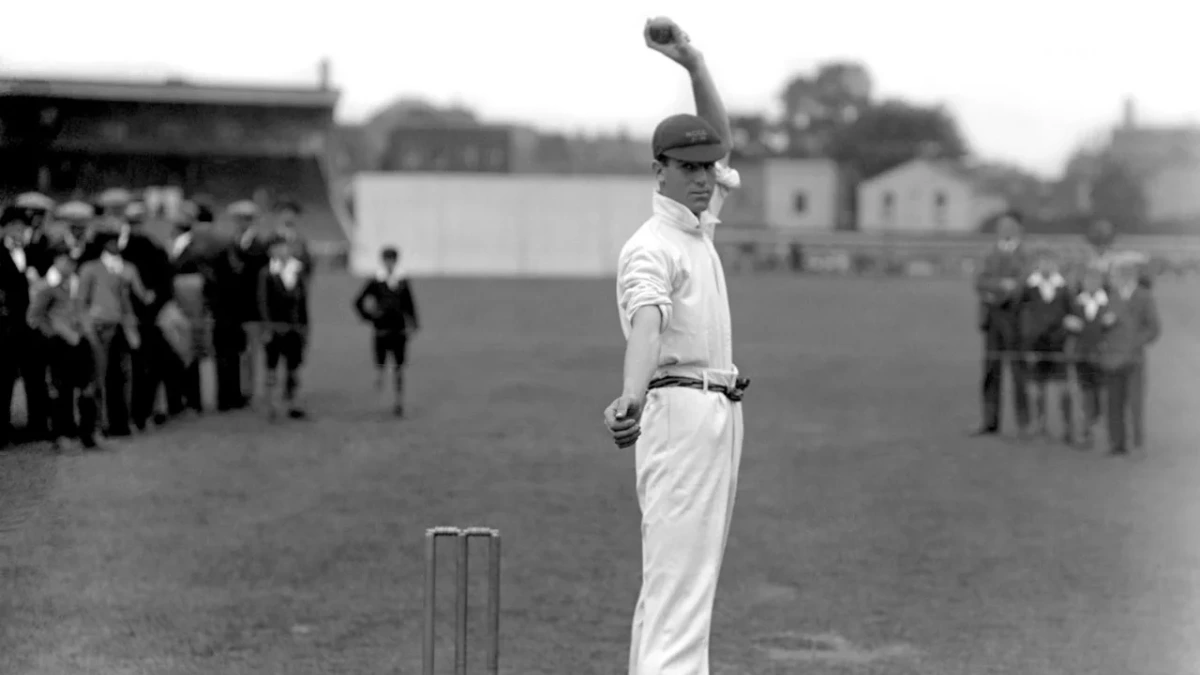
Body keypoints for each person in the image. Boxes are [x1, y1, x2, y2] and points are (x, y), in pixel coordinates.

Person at [601, 18, 747, 675]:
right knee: (678, 584)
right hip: (675, 413)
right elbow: (647, 326)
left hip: (713, 408)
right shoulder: (651, 246)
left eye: (708, 167)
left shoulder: (696, 227)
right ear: (657, 169)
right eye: (687, 168)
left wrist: (692, 61)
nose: (703, 177)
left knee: (685, 581)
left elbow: (718, 131)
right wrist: (630, 395)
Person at [27, 245, 99, 450]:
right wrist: (53, 333)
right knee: (62, 390)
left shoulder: (75, 282)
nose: (70, 265)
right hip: (59, 344)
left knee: (87, 387)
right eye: (65, 261)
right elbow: (33, 317)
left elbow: (82, 308)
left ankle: (88, 434)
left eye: (72, 262)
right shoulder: (45, 286)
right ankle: (62, 435)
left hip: (80, 340)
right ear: (56, 261)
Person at [78, 231, 144, 438]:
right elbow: (81, 301)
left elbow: (129, 299)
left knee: (123, 375)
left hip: (119, 326)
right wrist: (87, 326)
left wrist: (131, 323)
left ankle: (121, 422)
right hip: (99, 326)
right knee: (99, 376)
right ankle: (99, 423)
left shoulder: (124, 268)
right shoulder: (91, 268)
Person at [972, 211, 1031, 437]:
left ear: (1018, 229)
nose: (1003, 229)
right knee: (990, 371)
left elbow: (1023, 284)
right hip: (992, 320)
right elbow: (979, 281)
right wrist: (1001, 287)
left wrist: (999, 291)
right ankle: (989, 421)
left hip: (1016, 319)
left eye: (1008, 225)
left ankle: (1024, 423)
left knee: (1019, 372)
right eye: (1000, 226)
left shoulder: (1027, 254)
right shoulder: (989, 253)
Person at [1096, 255, 1161, 456]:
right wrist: (1104, 323)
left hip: (1134, 358)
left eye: (1116, 274)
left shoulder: (1144, 297)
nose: (1113, 277)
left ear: (1128, 275)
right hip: (1112, 358)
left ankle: (1138, 444)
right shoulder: (1109, 296)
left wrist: (1135, 342)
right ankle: (1117, 444)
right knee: (1113, 402)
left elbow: (1154, 328)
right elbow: (1098, 324)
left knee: (1135, 403)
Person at [118, 201, 173, 429]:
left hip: (149, 317)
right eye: (132, 222)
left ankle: (143, 412)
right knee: (125, 369)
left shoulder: (153, 248)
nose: (136, 226)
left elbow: (164, 285)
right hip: (125, 315)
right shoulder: (120, 249)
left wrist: (155, 304)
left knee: (147, 367)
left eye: (139, 221)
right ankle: (129, 413)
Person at [0, 206, 51, 445]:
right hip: (7, 326)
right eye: (18, 227)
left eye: (25, 228)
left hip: (32, 325)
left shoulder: (34, 252)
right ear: (6, 227)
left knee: (36, 376)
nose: (22, 232)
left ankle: (38, 426)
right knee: (4, 378)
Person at [353, 246, 419, 417]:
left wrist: (414, 324)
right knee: (380, 364)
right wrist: (369, 317)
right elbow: (358, 301)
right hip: (381, 329)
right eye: (387, 260)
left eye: (392, 260)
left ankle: (398, 401)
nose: (389, 263)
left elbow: (409, 304)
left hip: (399, 329)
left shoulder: (402, 281)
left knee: (399, 367)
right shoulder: (376, 281)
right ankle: (378, 394)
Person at [1018, 247, 1073, 442]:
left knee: (1063, 387)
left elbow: (1072, 314)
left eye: (1050, 262)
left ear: (1056, 265)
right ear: (1037, 265)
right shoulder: (1028, 288)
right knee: (1036, 387)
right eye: (1043, 262)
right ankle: (1039, 424)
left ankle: (1067, 426)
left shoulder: (1065, 289)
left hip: (1058, 344)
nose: (1047, 266)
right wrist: (1027, 345)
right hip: (1036, 344)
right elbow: (1022, 318)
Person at [258, 236, 310, 420]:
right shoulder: (267, 273)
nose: (281, 251)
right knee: (272, 366)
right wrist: (268, 326)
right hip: (275, 326)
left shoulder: (297, 271)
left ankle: (294, 403)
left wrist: (304, 327)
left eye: (283, 247)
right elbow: (263, 302)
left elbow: (304, 302)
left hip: (294, 327)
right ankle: (271, 403)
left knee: (293, 367)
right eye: (276, 248)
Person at [228, 200, 270, 406]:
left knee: (251, 351)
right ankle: (240, 389)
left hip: (252, 308)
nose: (241, 223)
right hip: (235, 308)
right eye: (238, 219)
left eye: (245, 219)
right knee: (240, 351)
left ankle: (250, 390)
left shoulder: (259, 247)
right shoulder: (233, 243)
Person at [1064, 267, 1109, 448]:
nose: (1091, 284)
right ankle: (1086, 431)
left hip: (1103, 357)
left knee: (1102, 395)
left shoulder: (1109, 303)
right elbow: (1068, 326)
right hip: (1081, 357)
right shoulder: (1075, 303)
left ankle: (1102, 430)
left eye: (1095, 280)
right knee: (1085, 394)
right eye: (1087, 280)